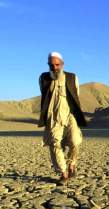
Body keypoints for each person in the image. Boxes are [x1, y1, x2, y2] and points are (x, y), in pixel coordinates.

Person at [38, 52, 87, 182]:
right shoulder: (43, 78)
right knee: (54, 143)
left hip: (70, 115)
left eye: (57, 64)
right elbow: (44, 94)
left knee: (75, 141)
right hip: (53, 116)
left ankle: (72, 164)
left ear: (62, 64)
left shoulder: (72, 77)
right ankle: (63, 173)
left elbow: (76, 94)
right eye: (51, 65)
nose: (54, 67)